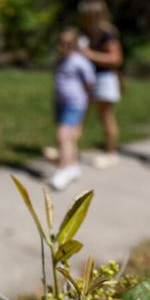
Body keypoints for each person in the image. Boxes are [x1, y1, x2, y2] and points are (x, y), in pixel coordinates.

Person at [77, 0, 124, 168]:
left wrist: (89, 54)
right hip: (89, 79)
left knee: (106, 117)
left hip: (105, 79)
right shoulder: (86, 33)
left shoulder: (108, 34)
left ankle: (111, 153)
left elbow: (115, 59)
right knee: (79, 115)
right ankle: (69, 149)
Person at [51, 28, 96, 191]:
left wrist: (88, 101)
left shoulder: (79, 61)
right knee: (69, 137)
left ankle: (63, 169)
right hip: (60, 103)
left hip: (75, 104)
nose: (64, 46)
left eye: (68, 44)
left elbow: (90, 83)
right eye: (61, 43)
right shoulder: (61, 61)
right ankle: (73, 166)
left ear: (75, 44)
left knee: (63, 135)